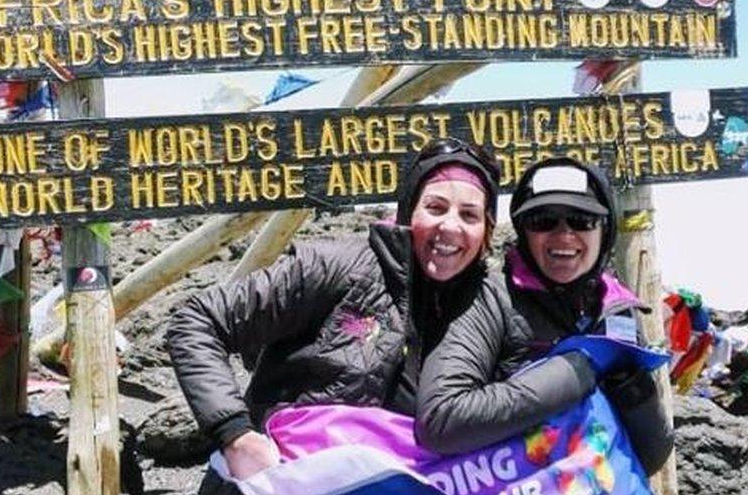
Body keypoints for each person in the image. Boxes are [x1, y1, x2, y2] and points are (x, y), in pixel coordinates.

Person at [166, 137, 500, 493]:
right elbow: (197, 320)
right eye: (435, 207)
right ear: (408, 212)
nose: (450, 227)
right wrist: (235, 434)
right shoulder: (338, 266)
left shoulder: (488, 307)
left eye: (469, 215)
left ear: (486, 230)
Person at [415, 155, 674, 477]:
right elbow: (442, 420)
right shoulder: (489, 299)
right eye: (543, 220)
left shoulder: (619, 311)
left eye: (582, 220)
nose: (564, 235)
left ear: (604, 231)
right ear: (524, 231)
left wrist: (636, 393)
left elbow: (647, 458)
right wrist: (581, 368)